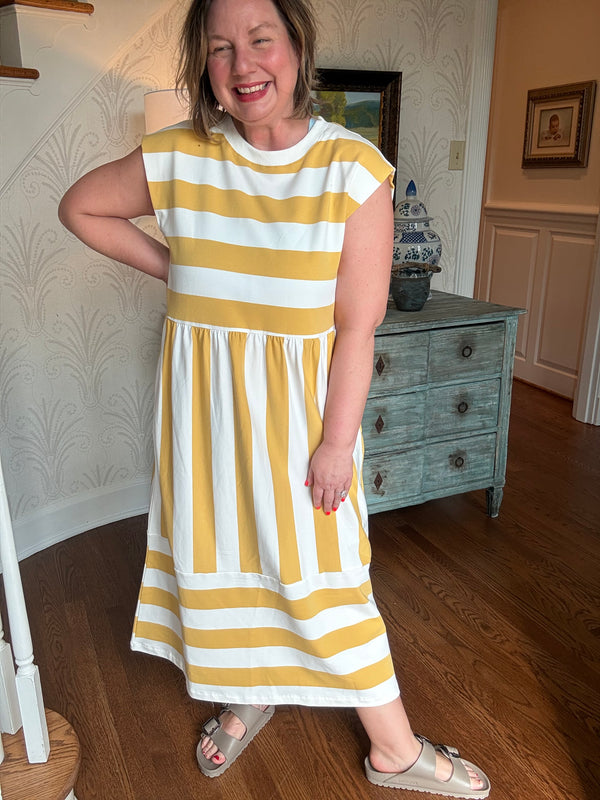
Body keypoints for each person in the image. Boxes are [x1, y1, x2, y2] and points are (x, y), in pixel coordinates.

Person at [58, 0, 490, 796]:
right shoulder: (179, 156)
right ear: (203, 66)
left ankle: (393, 750)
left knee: (331, 581)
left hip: (306, 429)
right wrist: (177, 271)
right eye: (220, 48)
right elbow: (78, 207)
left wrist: (337, 445)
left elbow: (356, 330)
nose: (243, 64)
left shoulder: (352, 170)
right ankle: (251, 689)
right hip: (207, 424)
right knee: (228, 557)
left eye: (261, 39)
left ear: (297, 45)